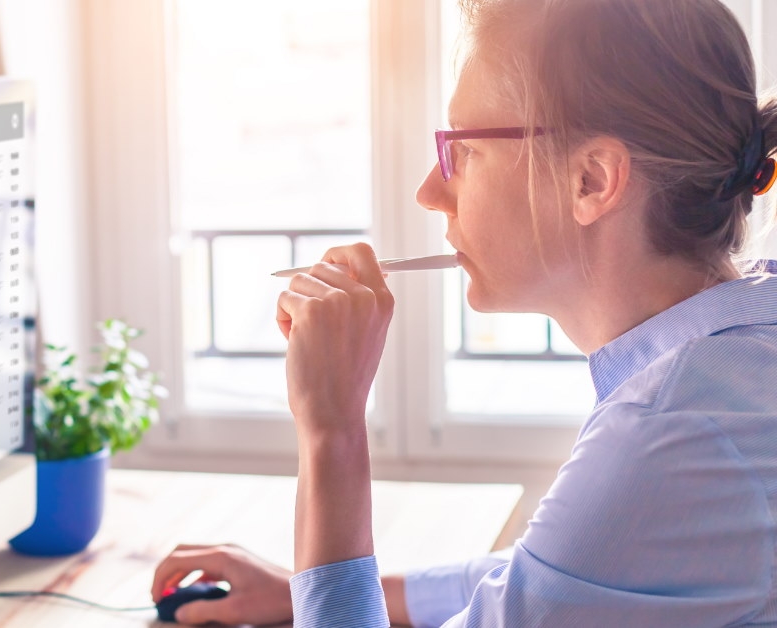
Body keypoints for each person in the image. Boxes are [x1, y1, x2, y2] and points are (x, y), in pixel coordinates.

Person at [152, 0, 777, 625]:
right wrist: (303, 590)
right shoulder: (737, 348)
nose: (430, 191)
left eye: (464, 150)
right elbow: (552, 574)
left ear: (591, 179)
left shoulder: (666, 432)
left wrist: (332, 430)